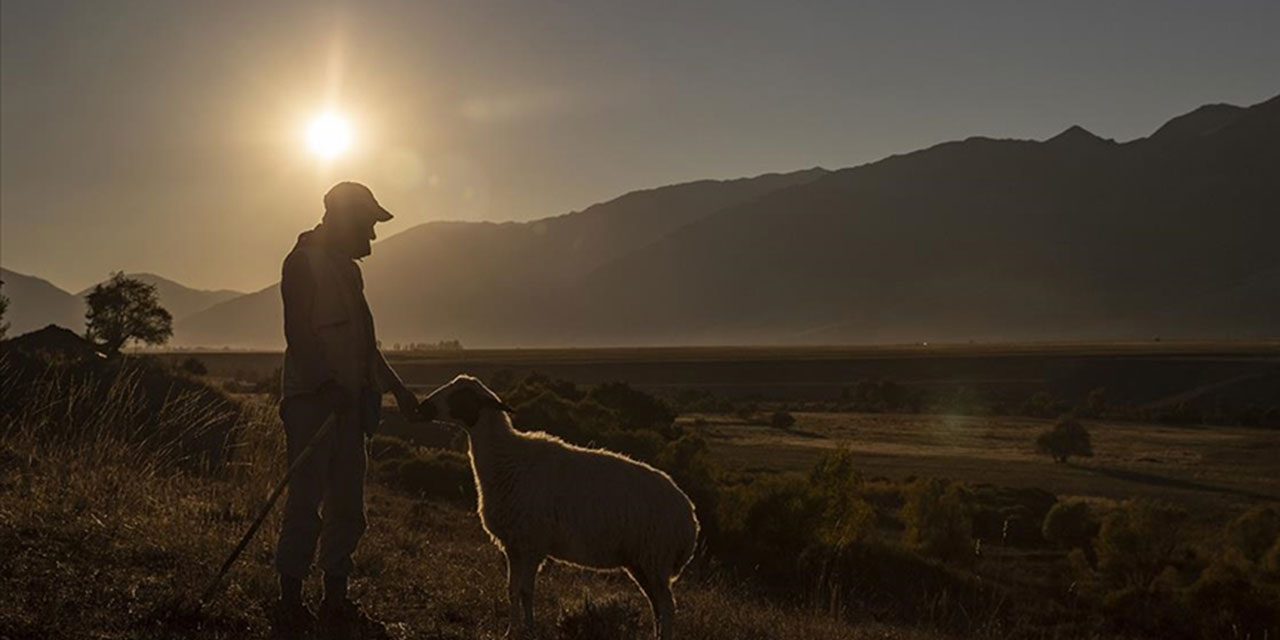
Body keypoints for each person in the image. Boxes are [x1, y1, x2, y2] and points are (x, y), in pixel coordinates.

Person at [273, 181, 420, 636]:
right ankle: (290, 604)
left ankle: (336, 603)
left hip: (351, 407)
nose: (373, 237)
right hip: (312, 406)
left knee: (348, 506)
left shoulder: (349, 271)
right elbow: (298, 334)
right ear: (342, 218)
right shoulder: (301, 264)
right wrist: (325, 386)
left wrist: (397, 389)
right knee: (306, 503)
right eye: (369, 225)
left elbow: (366, 345)